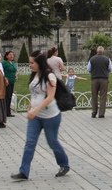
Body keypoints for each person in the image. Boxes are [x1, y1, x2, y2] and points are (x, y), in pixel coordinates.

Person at [11, 50, 70, 181]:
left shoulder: (50, 76)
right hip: (36, 117)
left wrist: (35, 110)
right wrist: (31, 106)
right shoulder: (34, 75)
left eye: (32, 63)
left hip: (51, 117)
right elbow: (35, 93)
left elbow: (49, 97)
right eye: (29, 62)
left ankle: (64, 164)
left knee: (52, 142)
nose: (30, 65)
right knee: (30, 143)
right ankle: (24, 172)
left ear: (40, 63)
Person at [87, 45, 112, 118]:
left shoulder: (92, 59)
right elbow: (110, 69)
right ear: (103, 51)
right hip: (104, 79)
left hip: (94, 79)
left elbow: (88, 69)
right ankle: (101, 113)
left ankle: (94, 112)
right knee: (103, 96)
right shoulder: (107, 59)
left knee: (94, 96)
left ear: (97, 51)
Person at [3, 50, 18, 117]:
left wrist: (16, 74)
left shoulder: (13, 63)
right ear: (6, 56)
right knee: (7, 97)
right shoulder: (4, 63)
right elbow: (1, 72)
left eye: (12, 55)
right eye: (10, 55)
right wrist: (5, 78)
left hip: (12, 81)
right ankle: (6, 112)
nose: (12, 56)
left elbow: (15, 70)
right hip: (7, 82)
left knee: (10, 97)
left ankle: (8, 112)